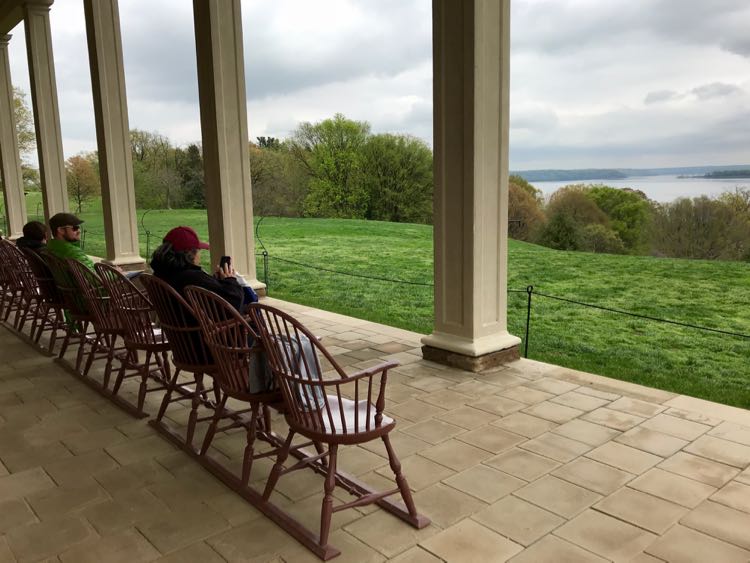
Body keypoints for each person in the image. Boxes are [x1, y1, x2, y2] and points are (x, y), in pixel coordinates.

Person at [149, 226, 245, 311]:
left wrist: (215, 281)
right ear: (191, 253)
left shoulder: (160, 274)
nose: (199, 255)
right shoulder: (192, 277)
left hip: (175, 328)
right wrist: (230, 280)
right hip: (207, 330)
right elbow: (234, 303)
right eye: (199, 250)